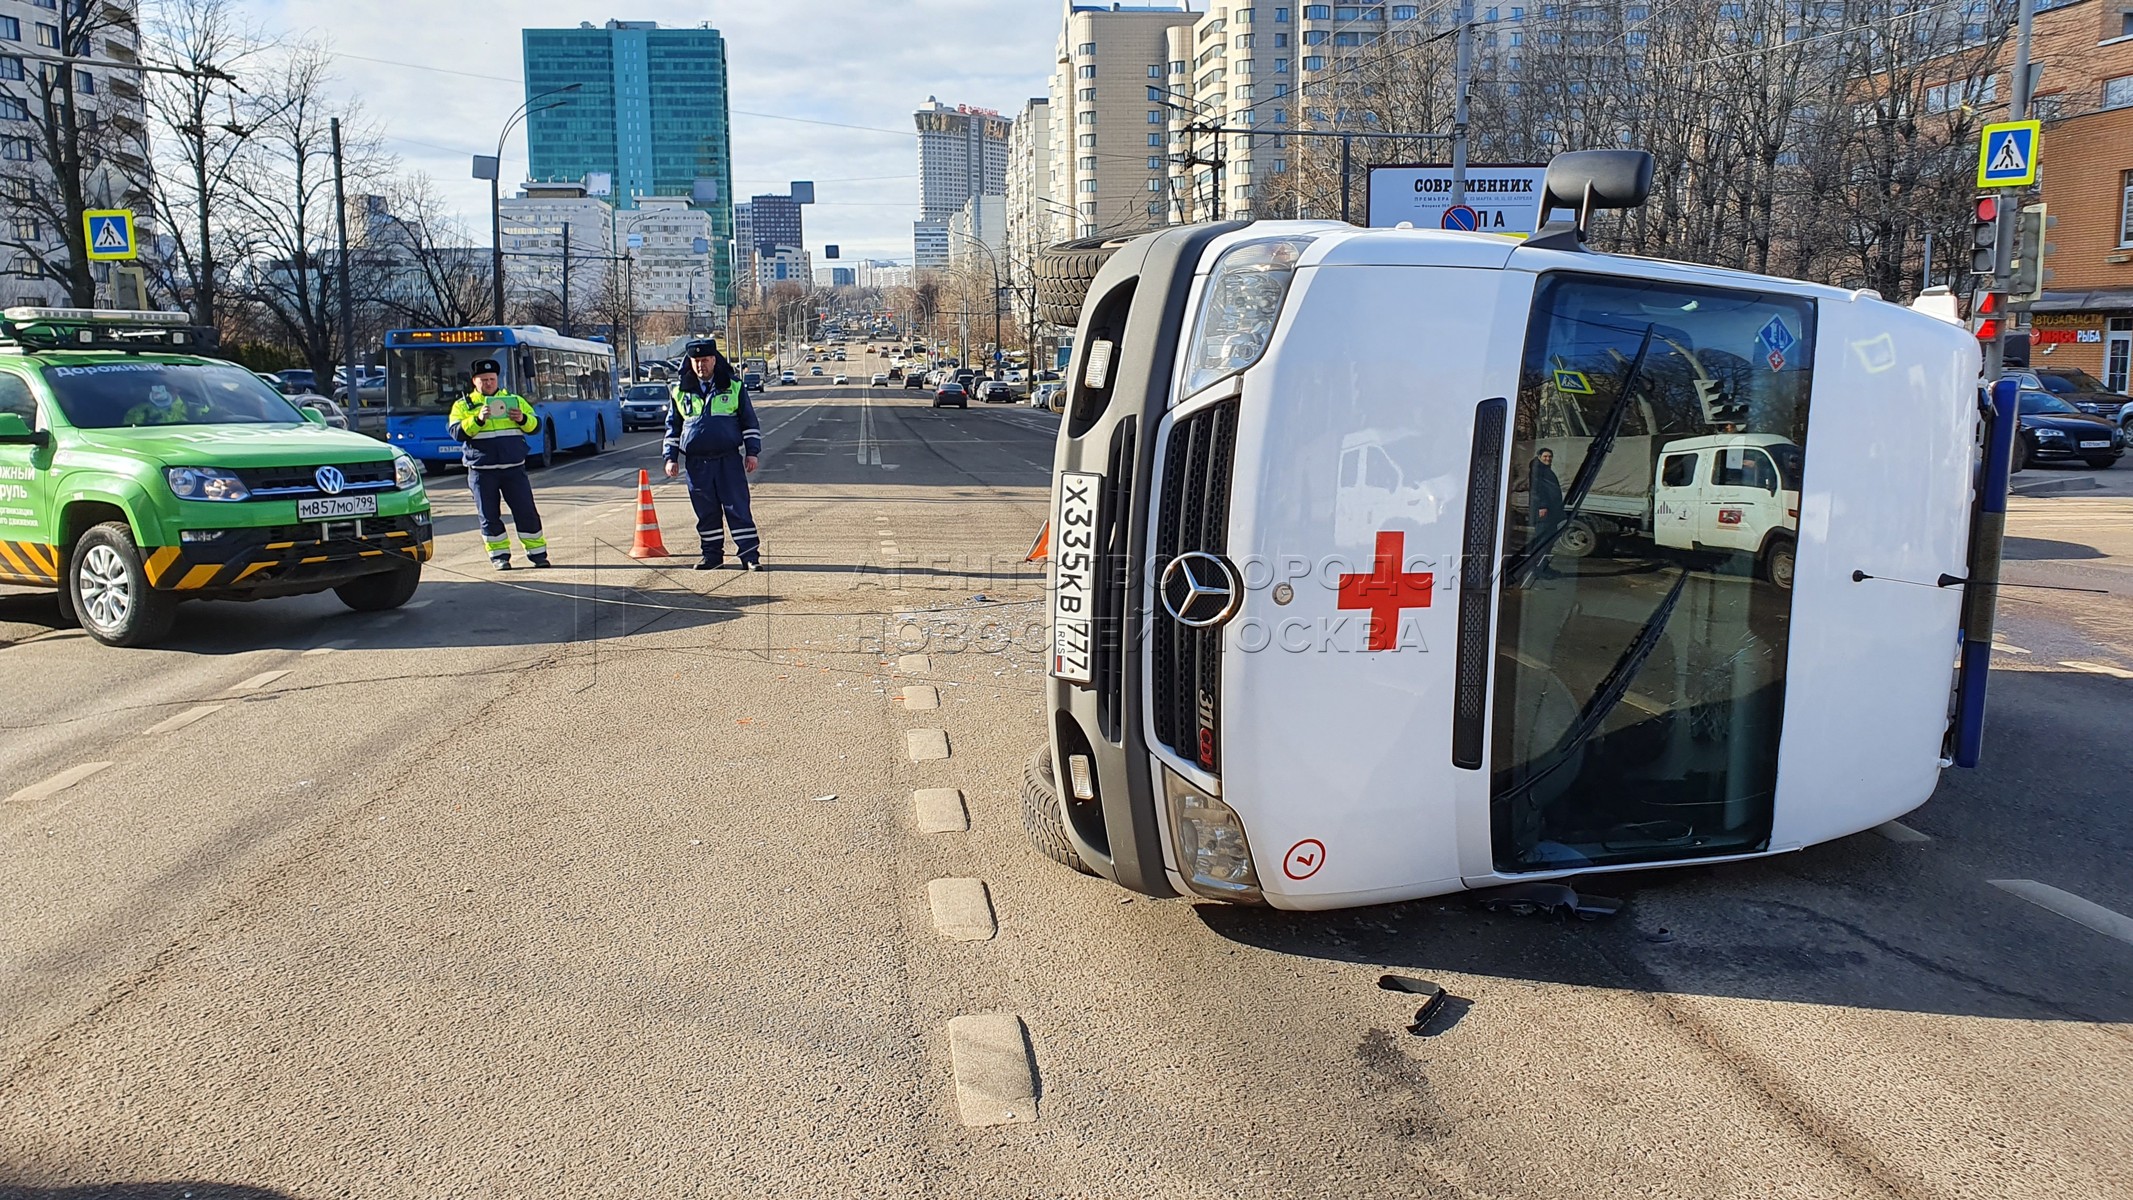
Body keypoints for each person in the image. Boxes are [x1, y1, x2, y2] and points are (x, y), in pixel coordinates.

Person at [663, 338, 764, 571]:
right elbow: (673, 428)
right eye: (696, 361)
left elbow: (749, 422)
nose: (701, 365)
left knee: (738, 508)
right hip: (697, 464)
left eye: (705, 360)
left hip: (728, 460)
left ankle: (750, 557)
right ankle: (712, 557)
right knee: (706, 513)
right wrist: (670, 458)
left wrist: (752, 453)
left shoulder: (733, 386)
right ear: (690, 362)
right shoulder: (680, 391)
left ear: (714, 359)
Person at [448, 359, 549, 570]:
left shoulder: (514, 400)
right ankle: (500, 557)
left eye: (492, 379)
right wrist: (478, 419)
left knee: (526, 512)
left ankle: (538, 554)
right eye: (483, 380)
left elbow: (536, 426)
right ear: (474, 381)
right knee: (489, 515)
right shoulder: (463, 405)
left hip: (513, 468)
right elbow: (456, 433)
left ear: (497, 379)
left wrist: (522, 418)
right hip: (482, 471)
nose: (488, 383)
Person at [1529, 448, 1564, 544]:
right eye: (1545, 456)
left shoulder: (1544, 469)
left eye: (1550, 456)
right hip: (1544, 510)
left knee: (1549, 537)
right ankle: (1540, 558)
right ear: (1539, 457)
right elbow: (1537, 489)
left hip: (1550, 509)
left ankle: (1543, 558)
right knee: (1543, 538)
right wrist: (1542, 506)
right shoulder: (1537, 470)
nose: (1547, 458)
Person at [123, 384, 197, 426]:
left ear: (178, 389)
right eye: (158, 389)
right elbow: (129, 433)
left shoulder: (195, 408)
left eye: (168, 386)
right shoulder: (139, 412)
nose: (162, 393)